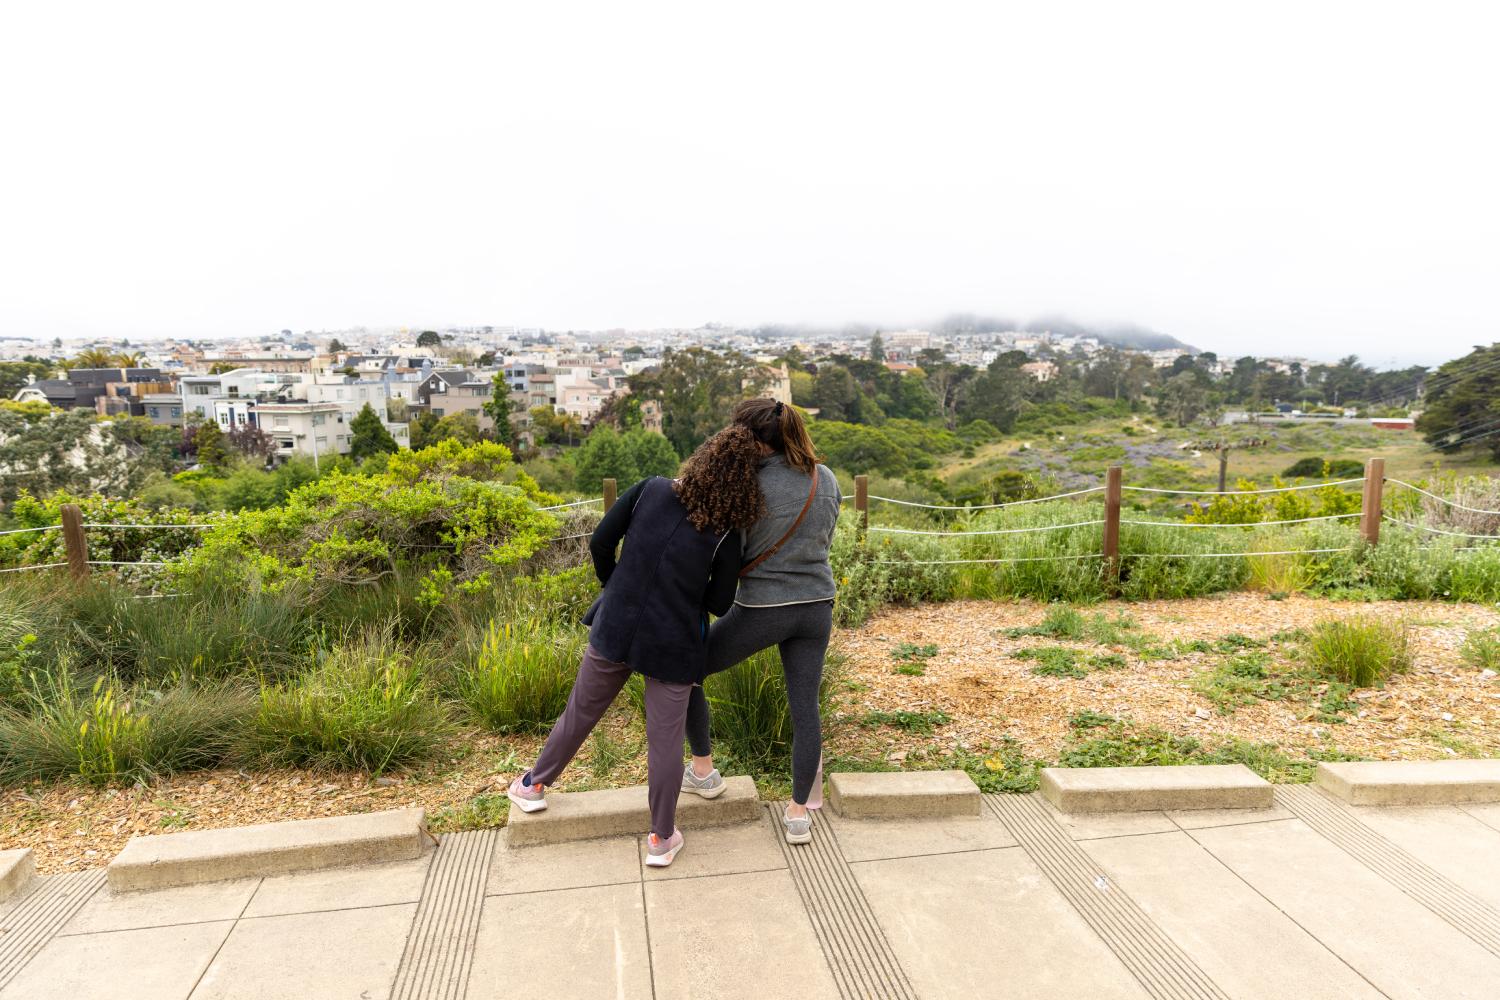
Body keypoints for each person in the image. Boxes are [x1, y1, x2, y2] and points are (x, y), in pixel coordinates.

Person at [507, 424, 766, 867]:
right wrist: (687, 600)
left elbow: (600, 541)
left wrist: (617, 585)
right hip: (674, 642)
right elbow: (721, 603)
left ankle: (532, 786)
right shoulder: (727, 532)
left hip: (617, 625)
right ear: (745, 485)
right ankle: (661, 838)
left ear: (703, 457)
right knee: (664, 742)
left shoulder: (650, 490)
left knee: (580, 711)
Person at [681, 398, 841, 844]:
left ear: (751, 439)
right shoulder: (823, 478)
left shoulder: (749, 484)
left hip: (762, 609)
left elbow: (732, 552)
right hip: (817, 606)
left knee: (690, 668)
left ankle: (703, 770)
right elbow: (825, 536)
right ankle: (797, 815)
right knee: (805, 707)